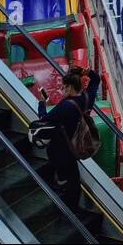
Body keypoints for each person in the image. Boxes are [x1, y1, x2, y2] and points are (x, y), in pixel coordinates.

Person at [36, 67, 101, 212]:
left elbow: (43, 121)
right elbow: (96, 79)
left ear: (70, 87)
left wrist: (42, 103)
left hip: (61, 148)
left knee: (68, 176)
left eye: (63, 86)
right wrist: (86, 72)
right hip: (77, 143)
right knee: (72, 177)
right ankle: (69, 203)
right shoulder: (87, 98)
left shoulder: (65, 106)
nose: (62, 89)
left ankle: (65, 204)